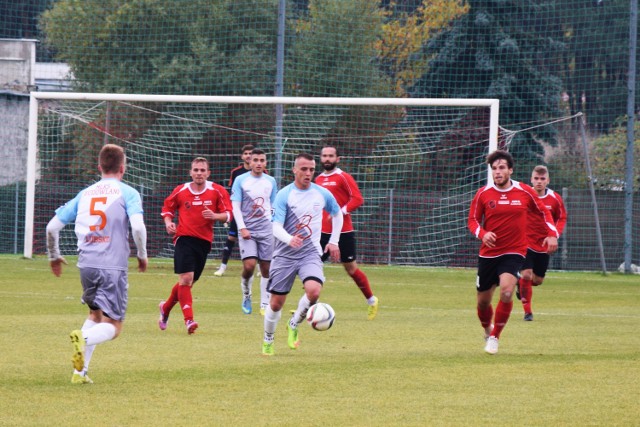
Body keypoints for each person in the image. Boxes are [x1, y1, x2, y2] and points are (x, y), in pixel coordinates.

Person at [45, 144, 148, 384]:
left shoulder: (85, 194)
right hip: (112, 266)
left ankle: (79, 373)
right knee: (114, 326)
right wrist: (142, 254)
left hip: (87, 265)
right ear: (123, 168)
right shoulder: (128, 193)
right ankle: (84, 338)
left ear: (99, 167)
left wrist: (54, 256)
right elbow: (139, 227)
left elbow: (51, 227)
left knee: (95, 313)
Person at [468, 150, 558, 355]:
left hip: (514, 251)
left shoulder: (525, 192)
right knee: (483, 301)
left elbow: (544, 212)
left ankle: (495, 337)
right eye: (494, 169)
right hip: (489, 254)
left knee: (507, 292)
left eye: (501, 168)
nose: (497, 172)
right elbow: (472, 221)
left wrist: (552, 234)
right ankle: (486, 328)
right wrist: (482, 234)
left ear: (510, 170)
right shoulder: (483, 194)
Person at [261, 153, 343, 356]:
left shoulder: (321, 194)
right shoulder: (284, 195)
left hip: (310, 253)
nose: (308, 173)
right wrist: (289, 239)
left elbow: (337, 214)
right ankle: (268, 340)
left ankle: (294, 323)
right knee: (276, 303)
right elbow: (275, 226)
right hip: (284, 255)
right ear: (295, 170)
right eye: (304, 169)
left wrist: (334, 241)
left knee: (314, 291)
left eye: (311, 170)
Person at [158, 156, 232, 334]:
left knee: (188, 283)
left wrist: (215, 216)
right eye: (196, 170)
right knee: (185, 279)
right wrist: (169, 222)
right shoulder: (181, 190)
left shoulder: (217, 190)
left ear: (208, 173)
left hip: (204, 242)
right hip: (183, 239)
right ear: (191, 172)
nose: (199, 173)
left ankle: (165, 308)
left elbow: (229, 214)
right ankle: (189, 320)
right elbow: (167, 208)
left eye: (202, 170)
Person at [315, 145, 379, 320]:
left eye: (331, 156)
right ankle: (312, 306)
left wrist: (340, 212)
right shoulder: (318, 179)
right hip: (322, 232)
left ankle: (372, 301)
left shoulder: (343, 177)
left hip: (344, 231)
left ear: (338, 159)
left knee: (351, 268)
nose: (327, 159)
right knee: (313, 265)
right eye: (324, 156)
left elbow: (358, 199)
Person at [516, 165, 567, 321]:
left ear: (548, 180)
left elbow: (561, 218)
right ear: (531, 179)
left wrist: (554, 235)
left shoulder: (555, 198)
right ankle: (528, 312)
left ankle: (520, 284)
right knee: (526, 274)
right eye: (536, 178)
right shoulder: (523, 195)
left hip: (544, 245)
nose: (539, 182)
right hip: (525, 242)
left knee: (537, 280)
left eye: (542, 179)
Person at [230, 148, 278, 315]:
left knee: (266, 268)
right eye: (255, 160)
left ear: (265, 163)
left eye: (262, 160)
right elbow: (235, 205)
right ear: (250, 162)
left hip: (266, 229)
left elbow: (273, 206)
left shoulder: (271, 181)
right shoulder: (241, 180)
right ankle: (246, 293)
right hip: (247, 229)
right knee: (249, 266)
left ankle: (264, 303)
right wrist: (242, 227)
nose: (258, 163)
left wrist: (274, 225)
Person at [213, 144, 254, 277]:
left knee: (258, 237)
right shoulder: (236, 172)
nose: (248, 156)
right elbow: (233, 193)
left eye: (251, 153)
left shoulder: (262, 172)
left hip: (254, 213)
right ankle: (222, 267)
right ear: (242, 156)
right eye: (246, 153)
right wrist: (230, 211)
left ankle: (260, 268)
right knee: (231, 238)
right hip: (239, 212)